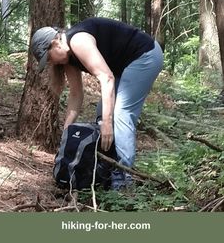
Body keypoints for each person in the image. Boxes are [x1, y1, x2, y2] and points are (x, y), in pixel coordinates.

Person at [31, 17, 164, 189]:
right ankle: (107, 171)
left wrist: (108, 123)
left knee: (121, 114)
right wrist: (67, 133)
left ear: (55, 43)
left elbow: (106, 78)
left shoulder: (78, 41)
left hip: (145, 55)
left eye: (48, 58)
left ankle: (124, 181)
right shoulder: (68, 58)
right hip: (122, 66)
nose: (51, 63)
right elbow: (76, 95)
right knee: (102, 114)